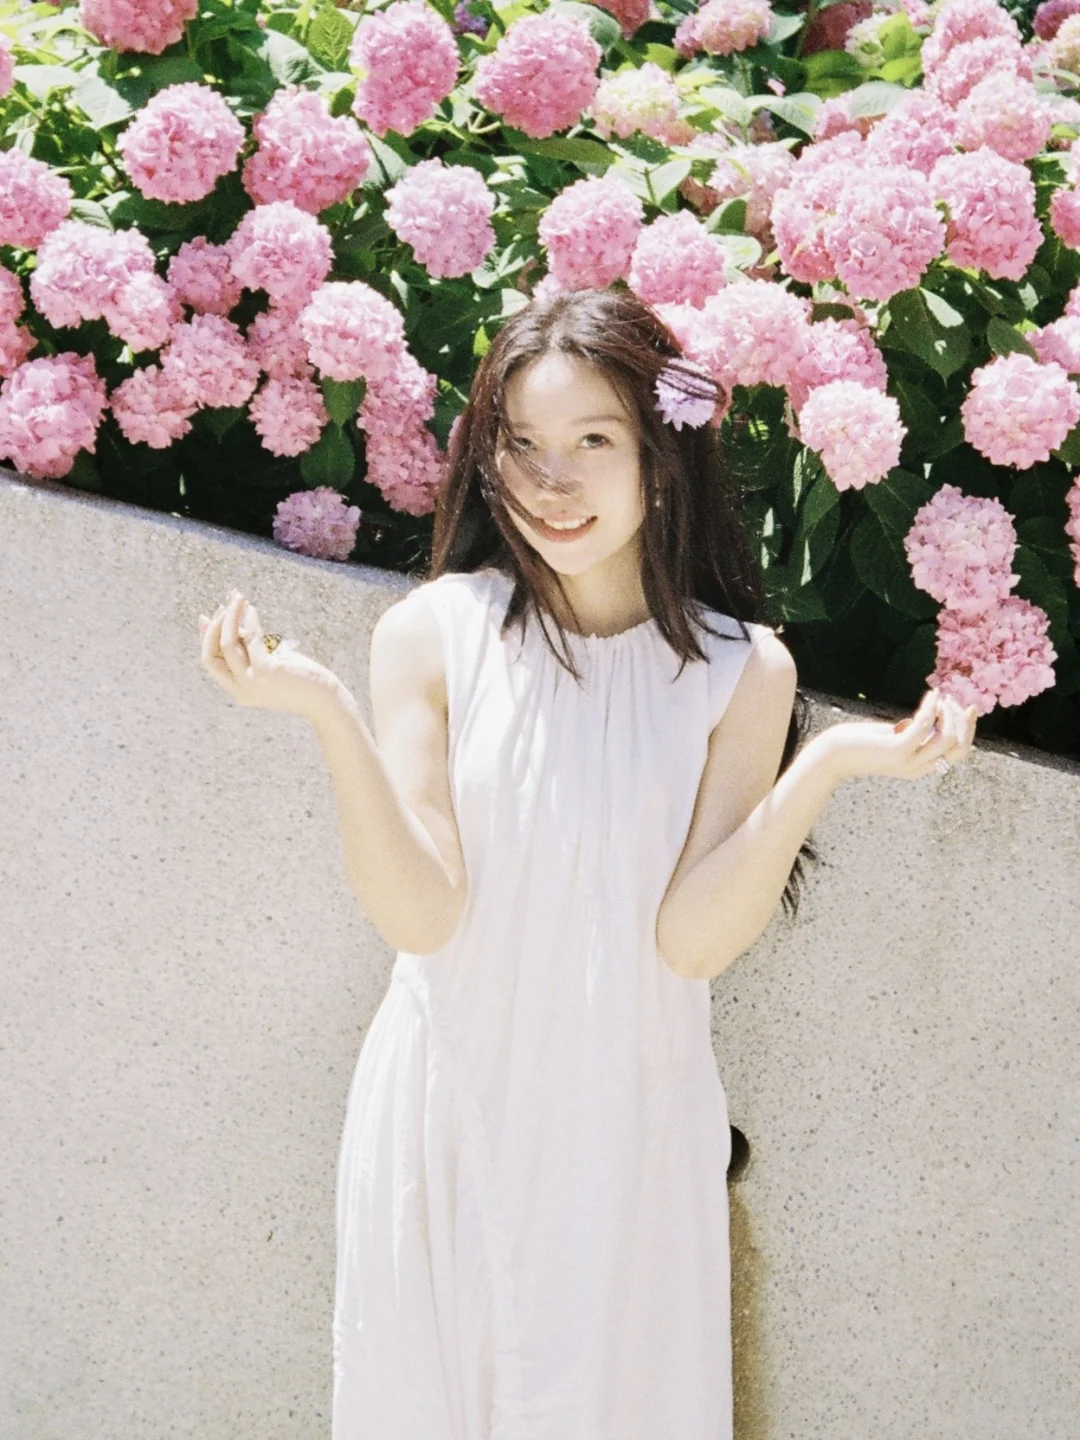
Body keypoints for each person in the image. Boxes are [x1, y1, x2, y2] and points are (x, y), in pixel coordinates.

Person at [198, 287, 977, 1439]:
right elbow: (423, 915)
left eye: (594, 441)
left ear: (663, 452)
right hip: (450, 1114)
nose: (551, 483)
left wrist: (827, 767)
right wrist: (323, 711)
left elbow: (689, 944)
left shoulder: (744, 672)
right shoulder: (434, 634)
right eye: (522, 444)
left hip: (629, 1134)